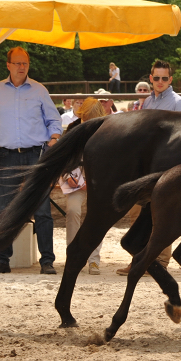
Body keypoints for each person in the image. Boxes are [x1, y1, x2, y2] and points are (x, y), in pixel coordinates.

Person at [0, 46, 62, 275]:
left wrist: (55, 139)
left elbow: (54, 121)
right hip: (7, 155)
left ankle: (47, 261)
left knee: (43, 209)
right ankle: (2, 261)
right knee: (6, 210)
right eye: (17, 63)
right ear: (8, 65)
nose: (21, 67)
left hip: (37, 155)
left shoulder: (39, 90)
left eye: (24, 63)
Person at [115, 59, 181, 276]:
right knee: (137, 212)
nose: (160, 81)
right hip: (148, 168)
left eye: (164, 78)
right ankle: (139, 259)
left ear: (171, 79)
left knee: (162, 217)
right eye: (156, 78)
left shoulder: (178, 103)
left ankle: (160, 263)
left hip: (168, 168)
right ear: (150, 78)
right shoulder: (148, 102)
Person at [59, 98, 105, 275]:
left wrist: (94, 180)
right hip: (75, 174)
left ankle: (94, 260)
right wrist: (68, 175)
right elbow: (64, 155)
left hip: (98, 178)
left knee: (98, 216)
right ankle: (73, 255)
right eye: (86, 118)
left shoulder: (106, 128)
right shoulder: (73, 128)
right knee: (72, 211)